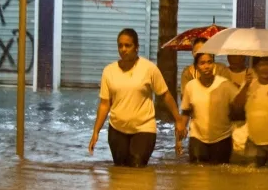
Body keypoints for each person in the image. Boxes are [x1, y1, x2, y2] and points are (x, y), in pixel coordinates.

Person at [89, 28, 185, 166]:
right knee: (120, 171)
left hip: (144, 129)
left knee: (137, 168)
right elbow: (105, 104)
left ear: (136, 47)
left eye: (128, 45)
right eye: (120, 45)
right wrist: (96, 132)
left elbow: (165, 95)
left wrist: (179, 120)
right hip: (117, 129)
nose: (123, 49)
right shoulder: (108, 71)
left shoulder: (149, 68)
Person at [180, 52, 239, 164]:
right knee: (196, 175)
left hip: (222, 138)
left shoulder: (225, 84)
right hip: (197, 138)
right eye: (202, 63)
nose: (206, 66)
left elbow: (239, 103)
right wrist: (180, 130)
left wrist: (246, 86)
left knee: (218, 176)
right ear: (196, 66)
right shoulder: (191, 86)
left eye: (209, 62)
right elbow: (186, 111)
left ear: (214, 65)